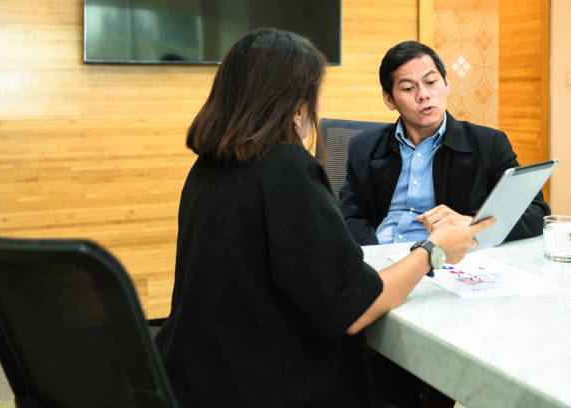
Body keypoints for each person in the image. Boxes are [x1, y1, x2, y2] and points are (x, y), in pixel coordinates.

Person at [154, 28, 495, 408]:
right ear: (295, 101)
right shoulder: (286, 169)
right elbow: (355, 308)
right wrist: (434, 250)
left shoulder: (208, 167)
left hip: (199, 378)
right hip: (274, 384)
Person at [339, 41, 550, 246]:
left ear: (447, 83)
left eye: (431, 83)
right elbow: (349, 215)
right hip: (382, 258)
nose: (424, 95)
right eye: (408, 88)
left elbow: (536, 212)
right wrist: (372, 258)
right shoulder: (364, 147)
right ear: (389, 100)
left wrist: (471, 224)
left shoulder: (489, 144)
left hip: (450, 258)